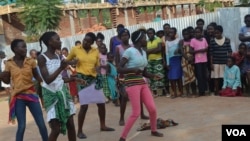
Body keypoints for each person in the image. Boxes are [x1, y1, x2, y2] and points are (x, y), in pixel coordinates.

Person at [66, 32, 115, 139]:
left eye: (88, 41)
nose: (85, 42)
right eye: (84, 40)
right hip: (82, 78)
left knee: (101, 103)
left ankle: (103, 125)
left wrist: (98, 69)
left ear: (92, 43)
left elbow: (99, 65)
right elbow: (66, 61)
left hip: (94, 78)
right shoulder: (75, 49)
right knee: (84, 106)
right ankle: (79, 131)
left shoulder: (95, 51)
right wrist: (73, 62)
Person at [118, 30, 163, 141]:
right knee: (136, 113)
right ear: (138, 40)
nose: (146, 40)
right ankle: (122, 138)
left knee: (152, 109)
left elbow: (144, 72)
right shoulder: (129, 51)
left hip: (142, 83)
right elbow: (119, 68)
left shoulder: (144, 52)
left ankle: (153, 130)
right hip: (132, 84)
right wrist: (132, 69)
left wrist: (154, 76)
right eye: (144, 38)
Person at [0, 39, 48, 141]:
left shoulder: (31, 62)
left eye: (25, 46)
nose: (25, 49)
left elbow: (37, 76)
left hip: (31, 94)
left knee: (41, 124)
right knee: (21, 126)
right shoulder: (9, 63)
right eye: (23, 47)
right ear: (15, 49)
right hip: (18, 97)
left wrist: (46, 85)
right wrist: (2, 76)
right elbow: (7, 81)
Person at [38, 32, 78, 141]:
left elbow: (59, 79)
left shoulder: (57, 56)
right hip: (51, 95)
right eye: (57, 39)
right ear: (50, 42)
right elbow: (47, 80)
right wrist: (61, 68)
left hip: (62, 92)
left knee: (71, 124)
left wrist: (73, 79)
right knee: (56, 129)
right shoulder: (42, 58)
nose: (60, 41)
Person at [115, 28, 148, 126]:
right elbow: (117, 63)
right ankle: (121, 117)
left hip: (135, 74)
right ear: (120, 38)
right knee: (124, 97)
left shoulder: (133, 46)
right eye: (123, 36)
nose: (125, 37)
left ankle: (141, 113)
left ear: (129, 36)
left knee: (140, 93)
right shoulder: (118, 48)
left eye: (126, 35)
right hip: (123, 74)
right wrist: (119, 74)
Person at [209, 25, 232, 95]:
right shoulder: (212, 41)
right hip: (216, 62)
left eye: (218, 33)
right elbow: (211, 53)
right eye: (215, 33)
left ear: (221, 32)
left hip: (224, 62)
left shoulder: (227, 40)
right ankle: (216, 91)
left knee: (224, 77)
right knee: (216, 78)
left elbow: (230, 51)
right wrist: (211, 63)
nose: (216, 34)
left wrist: (229, 61)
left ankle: (225, 90)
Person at [146, 28, 166, 96]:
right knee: (151, 76)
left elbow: (159, 49)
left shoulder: (158, 39)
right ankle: (154, 92)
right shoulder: (147, 41)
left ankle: (163, 91)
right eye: (148, 33)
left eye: (151, 33)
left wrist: (149, 51)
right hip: (150, 61)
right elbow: (146, 51)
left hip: (158, 60)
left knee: (160, 75)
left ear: (154, 34)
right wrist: (154, 49)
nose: (149, 35)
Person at [190, 27, 208, 96]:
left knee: (204, 75)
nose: (197, 34)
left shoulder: (204, 39)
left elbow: (206, 48)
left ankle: (205, 90)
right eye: (196, 32)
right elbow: (191, 51)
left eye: (198, 32)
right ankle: (201, 90)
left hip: (204, 60)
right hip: (197, 61)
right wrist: (199, 50)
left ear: (201, 32)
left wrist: (204, 50)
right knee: (199, 76)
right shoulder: (193, 40)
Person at [165, 27, 183, 98]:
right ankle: (174, 92)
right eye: (169, 32)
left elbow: (181, 50)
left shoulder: (178, 40)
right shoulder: (167, 42)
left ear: (175, 33)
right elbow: (166, 53)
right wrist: (168, 63)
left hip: (177, 59)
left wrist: (178, 50)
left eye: (172, 32)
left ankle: (181, 92)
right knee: (172, 77)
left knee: (179, 77)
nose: (170, 34)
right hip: (171, 60)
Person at [180, 28, 196, 97]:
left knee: (193, 76)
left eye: (187, 34)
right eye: (184, 34)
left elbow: (194, 50)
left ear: (189, 34)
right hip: (184, 60)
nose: (185, 35)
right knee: (186, 76)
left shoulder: (192, 40)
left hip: (192, 59)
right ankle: (188, 92)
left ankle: (194, 91)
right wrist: (187, 58)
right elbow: (181, 51)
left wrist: (192, 59)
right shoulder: (181, 42)